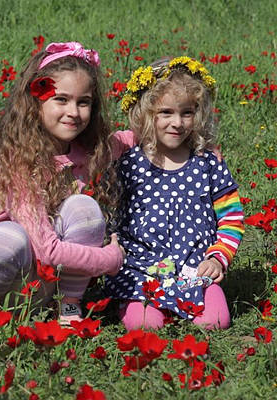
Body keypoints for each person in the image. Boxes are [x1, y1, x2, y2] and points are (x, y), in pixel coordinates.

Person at [0, 42, 133, 322]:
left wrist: (194, 144)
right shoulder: (19, 163)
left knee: (83, 208)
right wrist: (111, 259)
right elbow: (47, 250)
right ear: (36, 101)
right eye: (61, 99)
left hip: (44, 288)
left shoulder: (89, 151)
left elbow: (133, 137)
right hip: (4, 283)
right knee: (9, 237)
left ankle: (67, 308)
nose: (74, 112)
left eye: (83, 102)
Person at [104, 57, 245, 330]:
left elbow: (231, 217)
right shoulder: (129, 163)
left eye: (187, 113)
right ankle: (135, 303)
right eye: (166, 112)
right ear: (146, 113)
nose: (177, 123)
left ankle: (182, 302)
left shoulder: (207, 163)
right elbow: (111, 215)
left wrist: (218, 257)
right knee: (145, 325)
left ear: (198, 113)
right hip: (142, 268)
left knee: (217, 321)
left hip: (195, 268)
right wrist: (111, 249)